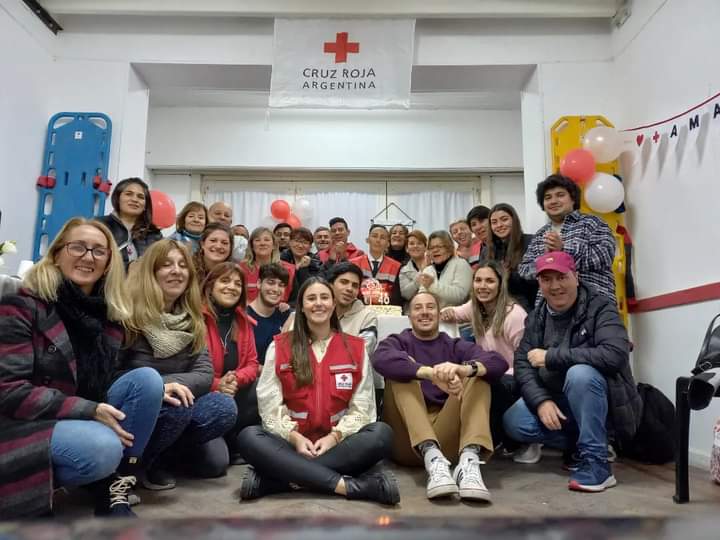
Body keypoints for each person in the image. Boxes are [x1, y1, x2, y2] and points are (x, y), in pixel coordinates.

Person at [0, 218, 163, 518]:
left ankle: (112, 490)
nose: (88, 257)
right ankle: (31, 493)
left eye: (99, 251)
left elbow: (102, 379)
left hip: (76, 411)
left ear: (109, 263)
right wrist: (89, 410)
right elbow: (8, 391)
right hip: (23, 422)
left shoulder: (109, 312)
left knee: (149, 381)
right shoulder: (21, 304)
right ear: (57, 253)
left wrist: (166, 385)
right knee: (101, 448)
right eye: (78, 247)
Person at [236, 278, 399, 505]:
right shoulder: (280, 346)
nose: (318, 304)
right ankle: (352, 486)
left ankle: (280, 481)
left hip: (339, 447)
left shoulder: (356, 348)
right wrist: (295, 438)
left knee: (381, 433)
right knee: (249, 437)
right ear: (301, 307)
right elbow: (270, 407)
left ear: (333, 304)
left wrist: (334, 437)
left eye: (324, 297)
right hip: (291, 446)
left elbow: (363, 409)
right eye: (311, 299)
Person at [503, 252, 640, 493]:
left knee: (580, 374)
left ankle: (597, 463)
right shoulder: (537, 317)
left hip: (604, 402)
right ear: (539, 284)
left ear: (576, 277)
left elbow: (615, 354)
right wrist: (541, 401)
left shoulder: (601, 307)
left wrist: (551, 357)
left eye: (561, 277)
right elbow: (523, 364)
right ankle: (582, 443)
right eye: (546, 280)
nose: (555, 286)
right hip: (559, 400)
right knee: (514, 421)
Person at [119, 239, 238, 490]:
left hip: (180, 403)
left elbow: (205, 374)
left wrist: (175, 386)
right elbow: (112, 376)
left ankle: (157, 459)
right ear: (151, 272)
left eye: (183, 265)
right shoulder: (126, 315)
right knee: (177, 408)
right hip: (137, 406)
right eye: (166, 265)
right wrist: (161, 387)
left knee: (224, 407)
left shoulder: (193, 319)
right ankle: (133, 465)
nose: (177, 271)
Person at [373, 291, 507, 501]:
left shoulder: (455, 345)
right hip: (406, 441)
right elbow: (380, 359)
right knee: (401, 373)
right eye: (418, 308)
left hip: (447, 440)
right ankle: (431, 457)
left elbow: (498, 362)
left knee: (479, 375)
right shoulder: (397, 341)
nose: (424, 312)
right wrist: (429, 373)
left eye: (430, 307)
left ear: (438, 313)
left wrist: (463, 370)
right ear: (409, 316)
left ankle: (468, 462)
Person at [440, 261, 527, 448]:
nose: (482, 286)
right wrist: (437, 313)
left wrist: (490, 373)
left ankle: (499, 439)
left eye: (489, 281)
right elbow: (454, 312)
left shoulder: (514, 315)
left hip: (514, 377)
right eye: (478, 280)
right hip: (490, 371)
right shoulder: (476, 307)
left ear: (500, 284)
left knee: (480, 381)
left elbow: (525, 362)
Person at [519, 174, 617, 302]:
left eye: (560, 195)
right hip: (551, 309)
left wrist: (564, 250)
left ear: (573, 199)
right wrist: (545, 261)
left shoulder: (592, 223)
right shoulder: (540, 235)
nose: (553, 201)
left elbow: (605, 255)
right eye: (548, 197)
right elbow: (524, 269)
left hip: (593, 304)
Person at [201, 262, 260, 464]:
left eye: (237, 283)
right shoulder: (195, 318)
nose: (232, 287)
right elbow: (188, 369)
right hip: (203, 398)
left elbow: (253, 363)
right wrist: (218, 385)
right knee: (215, 465)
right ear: (210, 286)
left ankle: (234, 439)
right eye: (225, 281)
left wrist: (235, 379)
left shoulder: (243, 321)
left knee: (261, 388)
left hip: (235, 394)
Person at [482, 203, 538, 311]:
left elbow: (537, 279)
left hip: (527, 307)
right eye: (494, 222)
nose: (499, 225)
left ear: (514, 220)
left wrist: (509, 276)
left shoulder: (531, 242)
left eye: (504, 219)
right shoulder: (486, 250)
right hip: (495, 308)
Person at [98, 177, 162, 269]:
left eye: (140, 197)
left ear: (145, 205)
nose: (135, 200)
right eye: (128, 194)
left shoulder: (154, 234)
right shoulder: (100, 225)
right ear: (118, 198)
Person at [246, 263, 292, 364]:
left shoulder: (286, 315)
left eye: (281, 285)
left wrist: (294, 315)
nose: (276, 289)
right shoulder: (244, 318)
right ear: (259, 283)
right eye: (271, 283)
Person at [417, 230, 472, 309]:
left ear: (449, 248)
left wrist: (432, 286)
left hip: (456, 318)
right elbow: (422, 297)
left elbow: (459, 296)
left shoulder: (461, 265)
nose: (435, 250)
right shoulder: (428, 270)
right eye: (431, 248)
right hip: (432, 317)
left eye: (439, 247)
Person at [240, 227, 295, 304]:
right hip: (247, 314)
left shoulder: (289, 269)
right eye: (257, 240)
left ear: (274, 245)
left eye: (267, 240)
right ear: (252, 246)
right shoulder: (241, 269)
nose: (262, 243)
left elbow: (294, 300)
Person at [351, 224, 402, 307]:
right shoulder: (353, 264)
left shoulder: (396, 266)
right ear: (367, 240)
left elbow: (396, 296)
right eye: (374, 236)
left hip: (385, 312)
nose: (378, 240)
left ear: (388, 243)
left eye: (382, 237)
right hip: (357, 310)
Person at [399, 229, 428, 309]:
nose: (415, 246)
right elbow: (406, 294)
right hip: (411, 312)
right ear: (407, 249)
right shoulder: (403, 270)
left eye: (419, 243)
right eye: (412, 243)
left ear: (425, 247)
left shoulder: (435, 266)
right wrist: (422, 271)